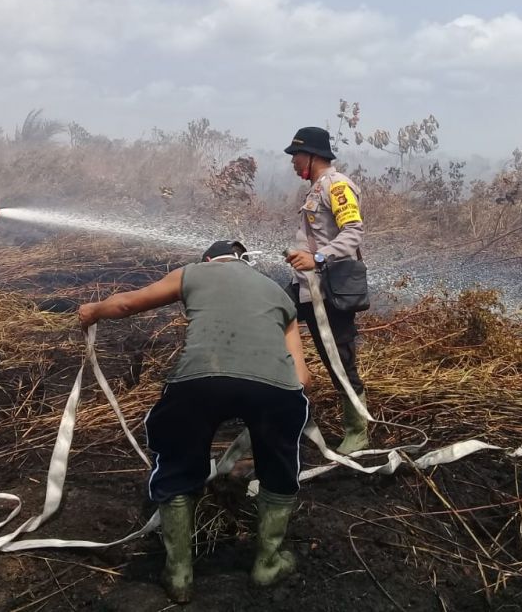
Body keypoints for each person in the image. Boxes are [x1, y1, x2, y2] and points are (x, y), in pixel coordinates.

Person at [78, 240, 311, 603]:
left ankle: (179, 574)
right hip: (277, 389)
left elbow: (126, 304)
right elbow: (302, 378)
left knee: (177, 462)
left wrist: (93, 310)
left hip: (199, 381)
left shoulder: (193, 272)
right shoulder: (278, 293)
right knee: (280, 467)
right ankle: (268, 563)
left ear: (208, 259)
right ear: (244, 262)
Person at [282, 126, 369, 454]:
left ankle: (357, 430)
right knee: (271, 316)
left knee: (339, 361)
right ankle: (285, 404)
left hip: (330, 292)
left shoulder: (337, 185)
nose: (293, 162)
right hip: (305, 287)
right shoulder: (315, 189)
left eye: (296, 155)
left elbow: (353, 233)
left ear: (312, 155)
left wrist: (317, 258)